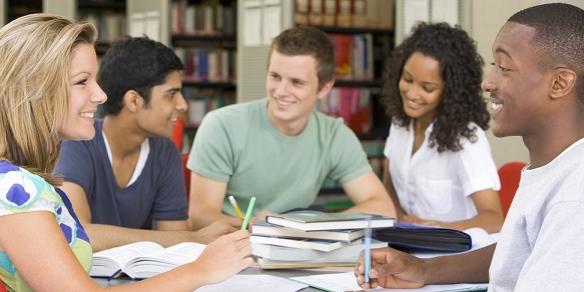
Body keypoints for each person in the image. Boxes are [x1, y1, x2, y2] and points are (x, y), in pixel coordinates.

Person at [355, 3, 584, 291]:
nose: (488, 82)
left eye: (505, 68)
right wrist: (422, 269)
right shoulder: (551, 169)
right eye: (493, 65)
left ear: (560, 83)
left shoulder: (577, 200)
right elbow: (514, 255)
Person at [0, 14, 251, 291]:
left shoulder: (27, 182)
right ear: (34, 89)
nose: (101, 95)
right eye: (82, 81)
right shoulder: (16, 188)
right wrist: (201, 270)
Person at [187, 25, 396, 229]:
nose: (281, 91)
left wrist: (302, 226)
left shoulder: (334, 135)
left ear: (325, 88)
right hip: (230, 244)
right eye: (275, 76)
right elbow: (200, 216)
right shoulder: (222, 125)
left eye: (297, 82)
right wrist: (258, 227)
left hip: (294, 245)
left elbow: (383, 208)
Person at [54, 37, 239, 252]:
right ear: (133, 101)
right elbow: (80, 234)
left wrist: (188, 239)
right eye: (171, 94)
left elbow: (175, 243)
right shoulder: (77, 142)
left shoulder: (165, 151)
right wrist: (194, 238)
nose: (182, 105)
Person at [381, 22, 503, 233]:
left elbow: (494, 219)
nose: (412, 94)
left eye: (427, 88)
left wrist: (440, 229)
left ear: (450, 92)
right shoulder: (400, 123)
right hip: (405, 247)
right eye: (407, 79)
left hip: (453, 256)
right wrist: (399, 218)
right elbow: (388, 187)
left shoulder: (466, 139)